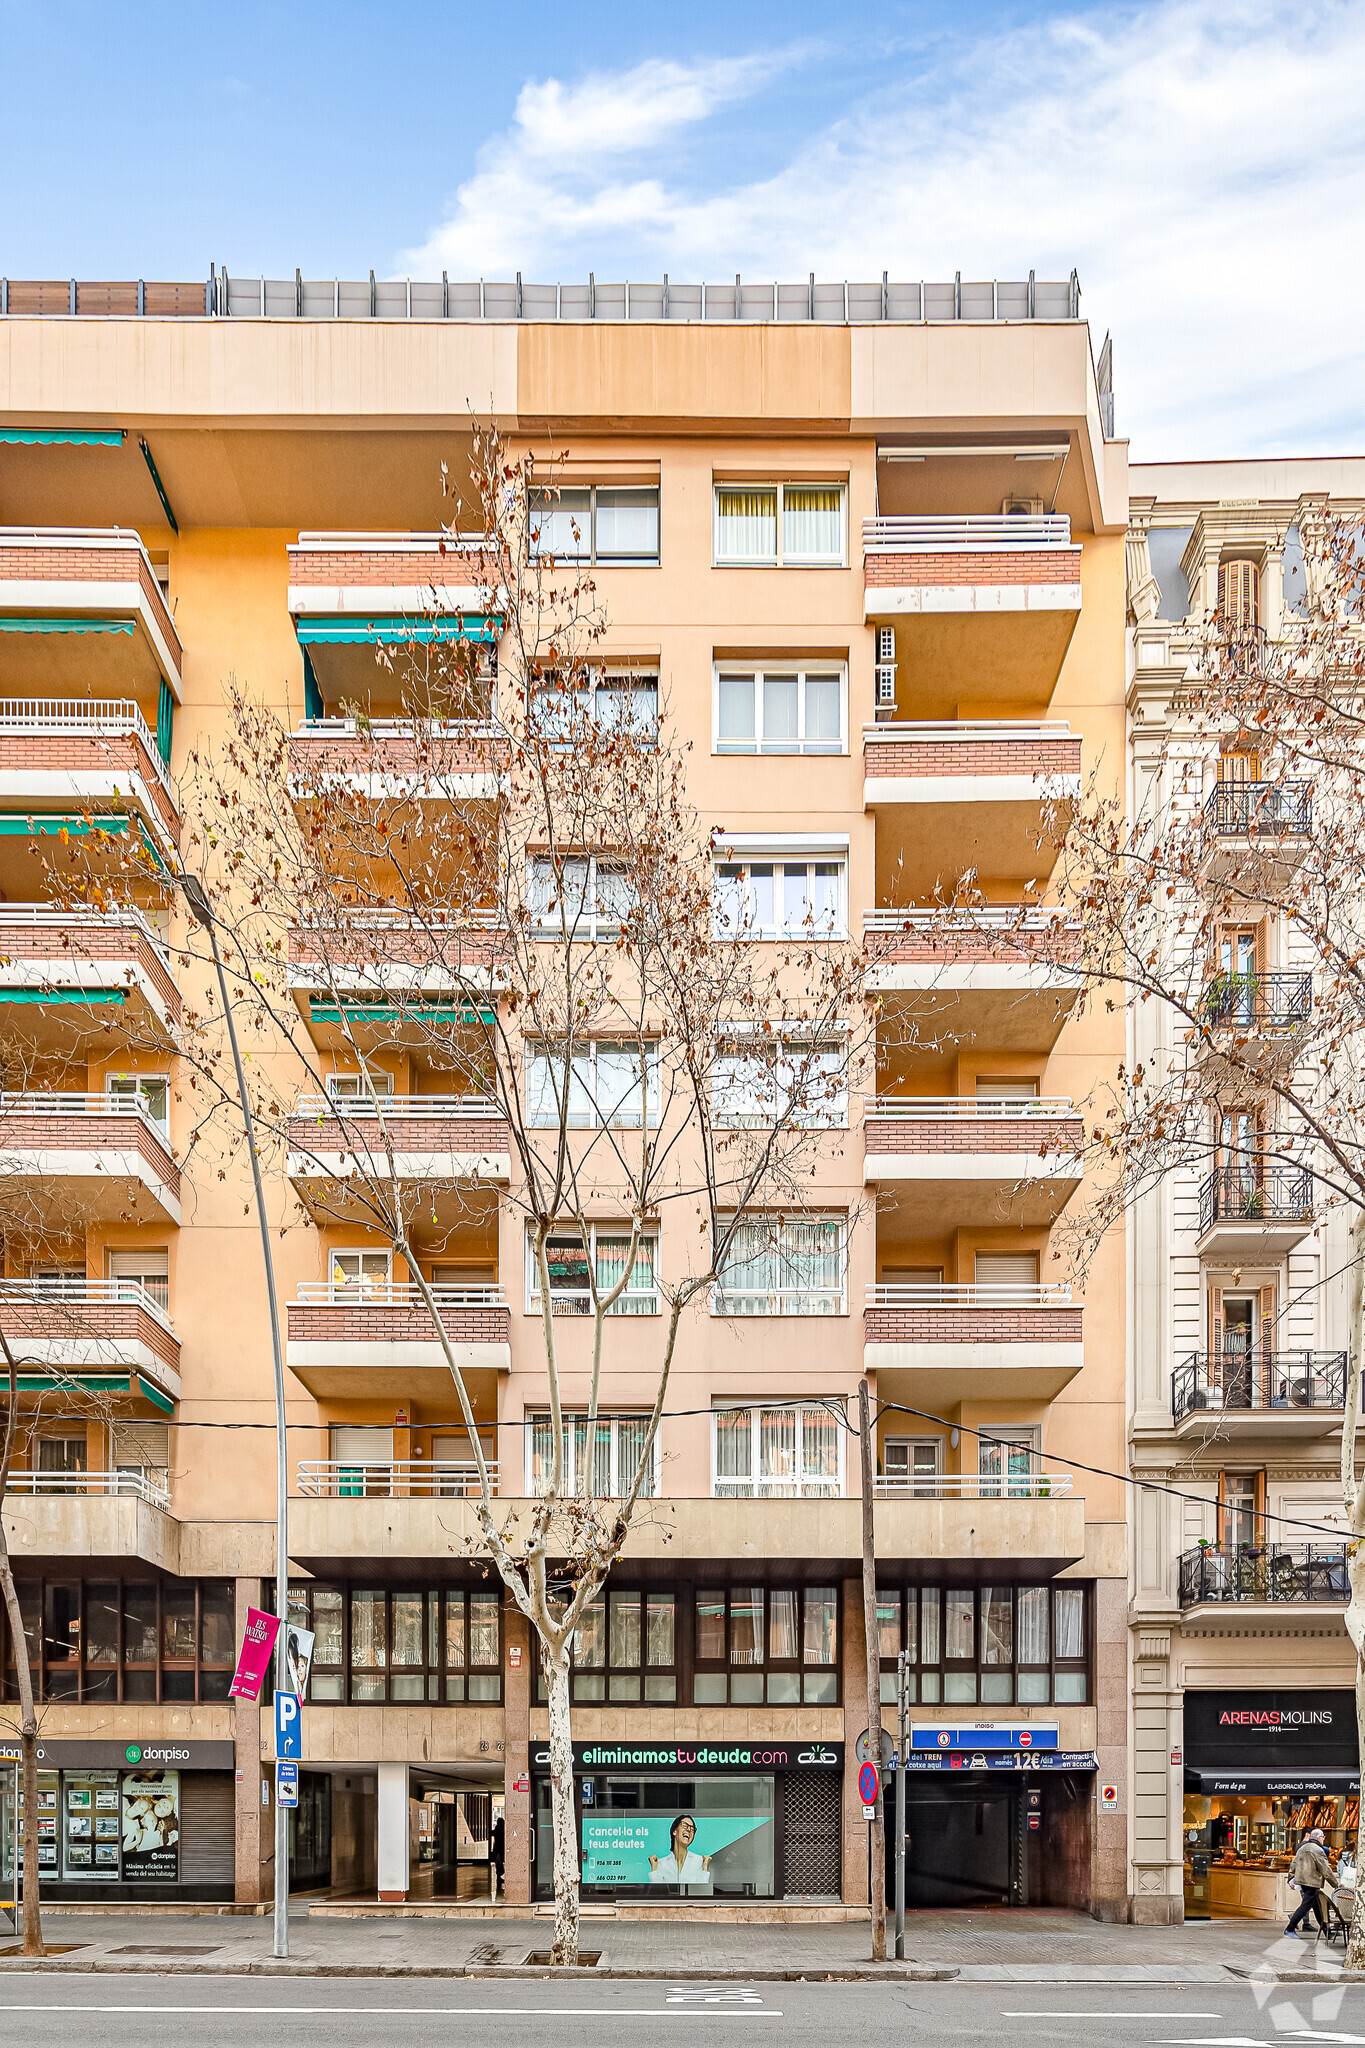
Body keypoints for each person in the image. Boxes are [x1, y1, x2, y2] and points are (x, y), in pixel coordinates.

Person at [1286, 1828, 1337, 1937]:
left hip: (1303, 1881)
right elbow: (1326, 1870)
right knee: (1305, 1906)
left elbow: (1293, 1864)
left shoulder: (1302, 1848)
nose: (1324, 1839)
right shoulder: (1318, 1850)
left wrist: (1291, 1878)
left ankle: (1326, 1930)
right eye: (1323, 1837)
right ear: (1319, 1838)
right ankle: (1290, 1928)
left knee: (1317, 1906)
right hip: (1311, 1882)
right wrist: (1336, 1885)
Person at [648, 1813, 713, 1888]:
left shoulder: (699, 1861)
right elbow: (657, 1892)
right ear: (674, 1831)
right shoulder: (662, 1863)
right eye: (685, 1826)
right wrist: (654, 1868)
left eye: (692, 1829)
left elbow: (702, 1891)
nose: (689, 1830)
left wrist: (704, 1867)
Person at [490, 1813, 505, 1899]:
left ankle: (499, 1876)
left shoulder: (497, 1828)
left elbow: (492, 1833)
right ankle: (500, 1876)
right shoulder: (503, 1829)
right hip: (501, 1849)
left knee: (498, 1864)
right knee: (499, 1863)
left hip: (497, 1849)